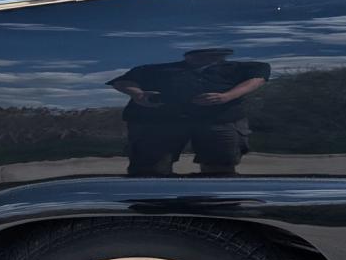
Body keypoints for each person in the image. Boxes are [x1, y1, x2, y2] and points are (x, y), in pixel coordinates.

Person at [107, 48, 270, 175]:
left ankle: (217, 206)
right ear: (188, 55)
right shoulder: (156, 69)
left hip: (220, 120)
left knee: (220, 167)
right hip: (159, 122)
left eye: (216, 55)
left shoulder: (240, 68)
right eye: (202, 54)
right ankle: (152, 208)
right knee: (150, 167)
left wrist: (226, 96)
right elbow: (122, 82)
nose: (209, 57)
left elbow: (258, 78)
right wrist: (139, 94)